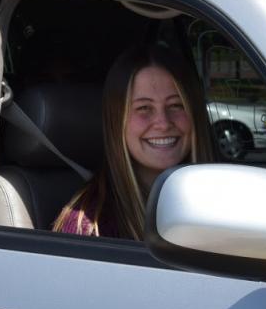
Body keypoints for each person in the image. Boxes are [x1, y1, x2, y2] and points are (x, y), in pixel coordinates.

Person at [53, 43, 213, 238]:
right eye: (144, 108)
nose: (163, 123)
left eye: (176, 105)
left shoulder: (223, 200)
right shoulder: (89, 228)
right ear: (116, 121)